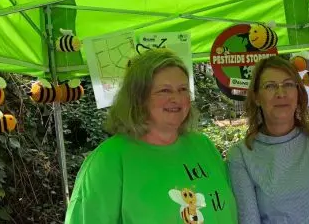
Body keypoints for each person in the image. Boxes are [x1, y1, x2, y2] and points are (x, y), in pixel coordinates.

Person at [65, 48, 238, 224]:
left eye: (183, 89)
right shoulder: (107, 161)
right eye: (164, 90)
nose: (176, 98)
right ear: (138, 98)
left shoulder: (203, 145)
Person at [227, 56, 309, 224]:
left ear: (298, 92)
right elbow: (249, 220)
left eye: (288, 84)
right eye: (270, 86)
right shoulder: (241, 155)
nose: (281, 94)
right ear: (257, 97)